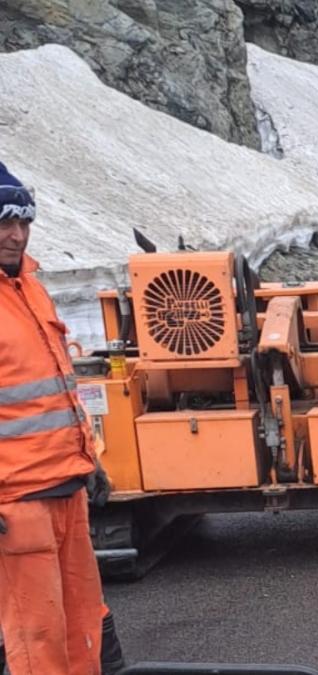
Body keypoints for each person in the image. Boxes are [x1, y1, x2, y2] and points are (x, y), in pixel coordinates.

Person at [0, 161, 125, 674]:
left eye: (23, 222)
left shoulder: (30, 289)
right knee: (39, 643)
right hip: (17, 505)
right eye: (4, 222)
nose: (16, 234)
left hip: (65, 489)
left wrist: (88, 462)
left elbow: (57, 391)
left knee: (82, 630)